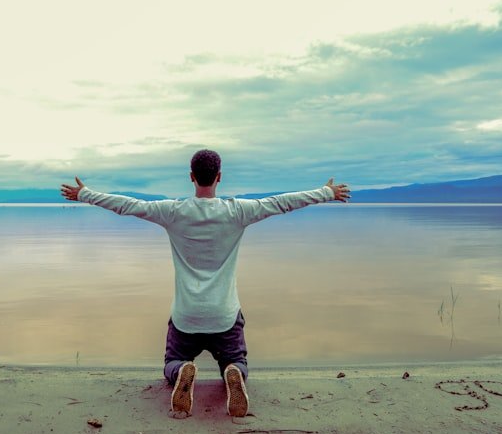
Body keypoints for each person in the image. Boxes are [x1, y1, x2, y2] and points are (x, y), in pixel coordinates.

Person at [60, 149, 350, 417]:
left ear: (192, 176)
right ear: (219, 177)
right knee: (238, 360)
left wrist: (86, 194)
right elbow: (281, 203)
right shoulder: (237, 212)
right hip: (224, 317)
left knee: (172, 362)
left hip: (186, 317)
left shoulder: (173, 212)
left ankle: (183, 370)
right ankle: (233, 370)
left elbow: (129, 206)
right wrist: (326, 192)